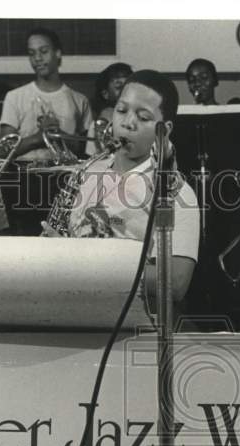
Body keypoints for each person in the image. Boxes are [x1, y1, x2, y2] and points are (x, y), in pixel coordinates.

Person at [41, 70, 200, 303]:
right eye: (121, 110)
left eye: (143, 117)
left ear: (164, 131)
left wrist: (80, 265)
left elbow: (175, 283)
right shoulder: (86, 172)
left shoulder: (176, 193)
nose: (127, 123)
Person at [0, 27, 93, 163]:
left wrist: (58, 134)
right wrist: (39, 138)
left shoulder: (79, 100)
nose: (37, 58)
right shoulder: (14, 97)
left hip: (66, 178)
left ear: (58, 53)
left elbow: (87, 151)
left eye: (43, 51)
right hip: (25, 177)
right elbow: (3, 151)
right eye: (32, 53)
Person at [88, 62, 133, 155]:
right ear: (105, 94)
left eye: (129, 87)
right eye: (119, 87)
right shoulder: (98, 124)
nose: (125, 91)